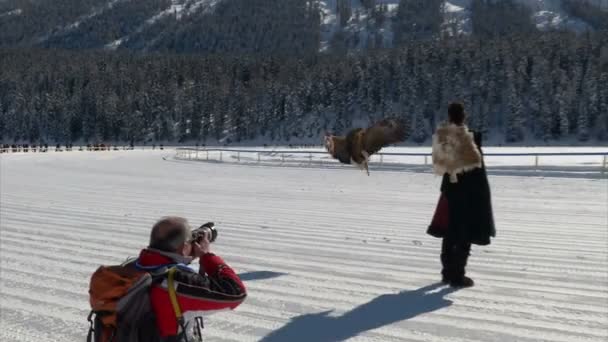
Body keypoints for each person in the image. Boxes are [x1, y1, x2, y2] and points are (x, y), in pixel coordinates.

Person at [137, 216, 247, 341]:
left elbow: (164, 263)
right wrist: (207, 257)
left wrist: (184, 254)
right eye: (190, 241)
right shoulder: (176, 282)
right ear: (184, 247)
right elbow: (236, 292)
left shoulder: (132, 267)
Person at [428, 102, 496, 288]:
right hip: (469, 195)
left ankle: (447, 273)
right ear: (463, 116)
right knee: (464, 235)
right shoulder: (470, 139)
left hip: (450, 192)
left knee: (450, 234)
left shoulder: (443, 138)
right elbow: (477, 174)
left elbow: (440, 167)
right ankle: (457, 275)